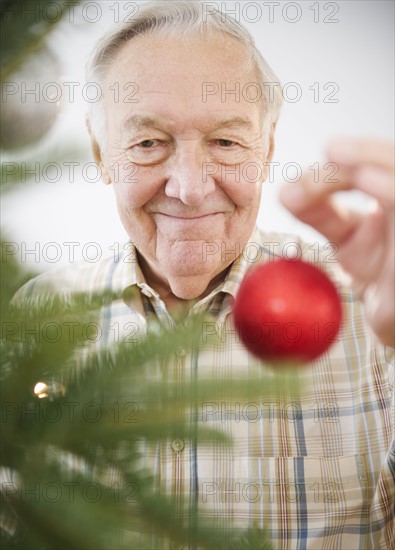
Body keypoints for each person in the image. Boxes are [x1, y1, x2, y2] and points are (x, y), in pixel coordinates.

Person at [11, 1, 394, 548]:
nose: (190, 188)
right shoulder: (37, 316)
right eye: (148, 143)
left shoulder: (370, 301)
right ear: (101, 153)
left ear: (266, 149)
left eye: (226, 142)